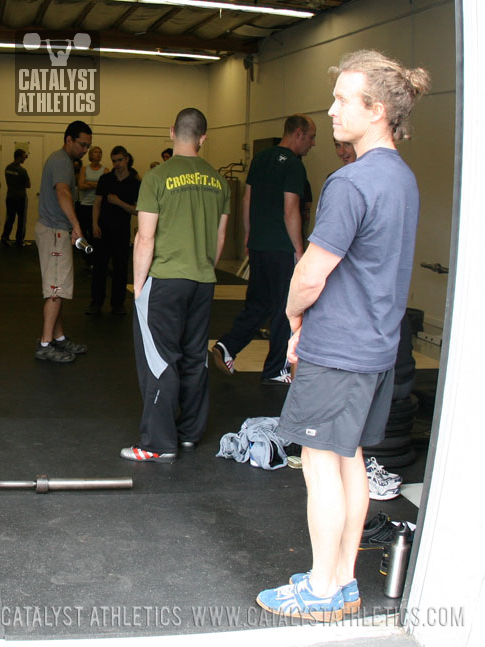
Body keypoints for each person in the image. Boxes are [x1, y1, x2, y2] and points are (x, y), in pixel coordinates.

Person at [256, 50, 430, 622]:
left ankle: (326, 589)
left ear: (376, 109)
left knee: (318, 463)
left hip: (340, 348)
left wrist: (292, 319)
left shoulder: (351, 182)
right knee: (348, 457)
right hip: (377, 347)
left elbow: (311, 272)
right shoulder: (401, 179)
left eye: (343, 100)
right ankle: (341, 579)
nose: (330, 110)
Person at [120, 107, 230, 464]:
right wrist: (203, 269)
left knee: (159, 358)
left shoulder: (156, 177)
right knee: (195, 357)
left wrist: (138, 287)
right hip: (203, 280)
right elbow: (220, 238)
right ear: (203, 138)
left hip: (166, 280)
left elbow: (145, 238)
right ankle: (188, 435)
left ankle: (158, 443)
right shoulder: (219, 181)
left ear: (172, 132)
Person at [212, 114, 316, 384]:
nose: (312, 144)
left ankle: (227, 346)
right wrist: (299, 249)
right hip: (282, 248)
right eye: (312, 137)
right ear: (299, 134)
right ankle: (276, 371)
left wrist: (249, 234)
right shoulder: (294, 165)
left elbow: (247, 199)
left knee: (259, 304)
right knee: (285, 308)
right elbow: (291, 208)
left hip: (259, 245)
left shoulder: (260, 159)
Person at [34, 120, 92, 363]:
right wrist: (76, 226)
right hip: (56, 232)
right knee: (56, 291)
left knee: (58, 288)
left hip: (56, 231)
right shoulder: (61, 161)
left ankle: (58, 338)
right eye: (82, 144)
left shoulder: (65, 161)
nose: (85, 150)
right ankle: (45, 344)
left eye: (88, 146)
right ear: (68, 139)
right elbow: (63, 192)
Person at [86, 146, 140, 315]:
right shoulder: (105, 179)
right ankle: (96, 303)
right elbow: (97, 203)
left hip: (122, 231)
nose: (117, 164)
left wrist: (119, 202)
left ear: (127, 159)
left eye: (120, 160)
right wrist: (94, 224)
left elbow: (137, 210)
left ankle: (117, 304)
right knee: (99, 268)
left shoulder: (135, 182)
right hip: (103, 230)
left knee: (120, 268)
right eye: (114, 161)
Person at [77, 146, 109, 246]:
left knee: (95, 231)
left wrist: (89, 183)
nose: (98, 154)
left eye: (100, 152)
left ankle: (95, 254)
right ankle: (87, 253)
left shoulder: (105, 170)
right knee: (84, 230)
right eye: (95, 152)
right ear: (91, 155)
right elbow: (81, 186)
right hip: (85, 205)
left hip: (98, 206)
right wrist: (97, 184)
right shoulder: (84, 169)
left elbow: (105, 188)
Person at [1, 149, 31, 247]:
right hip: (21, 197)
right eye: (23, 157)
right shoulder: (22, 170)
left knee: (10, 218)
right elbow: (28, 185)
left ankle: (5, 238)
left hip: (10, 196)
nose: (25, 159)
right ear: (19, 157)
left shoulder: (8, 168)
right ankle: (20, 241)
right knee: (21, 220)